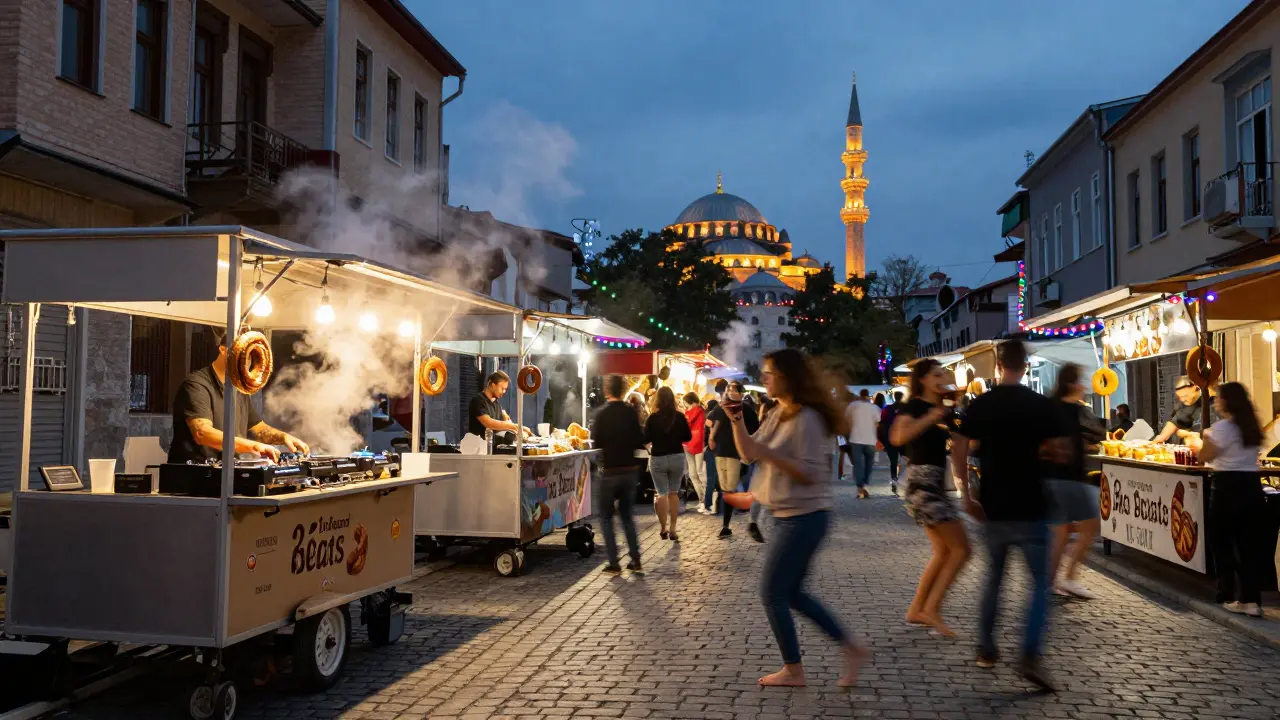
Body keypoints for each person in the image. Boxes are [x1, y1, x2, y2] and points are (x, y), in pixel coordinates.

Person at [725, 348, 867, 688]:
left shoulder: (808, 420)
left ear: (787, 377)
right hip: (789, 516)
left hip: (805, 517)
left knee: (772, 592)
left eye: (769, 373)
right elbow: (747, 454)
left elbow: (808, 474)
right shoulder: (778, 414)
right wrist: (736, 420)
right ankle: (850, 648)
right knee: (793, 594)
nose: (764, 379)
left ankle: (794, 669)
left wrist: (770, 453)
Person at [952, 339, 1067, 692]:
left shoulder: (981, 405)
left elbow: (958, 449)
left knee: (994, 579)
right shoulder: (1039, 405)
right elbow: (1059, 452)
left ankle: (986, 649)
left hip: (994, 507)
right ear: (1025, 366)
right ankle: (1030, 652)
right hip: (1032, 504)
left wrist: (966, 494)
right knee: (1039, 586)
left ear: (998, 366)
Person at [889, 360, 970, 637]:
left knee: (945, 551)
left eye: (944, 373)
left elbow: (961, 448)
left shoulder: (946, 411)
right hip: (921, 484)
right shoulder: (914, 407)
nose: (943, 377)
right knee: (961, 550)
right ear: (922, 380)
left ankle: (917, 609)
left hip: (934, 483)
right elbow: (898, 437)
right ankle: (931, 609)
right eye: (937, 374)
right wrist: (932, 416)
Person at [168, 328, 309, 463]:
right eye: (242, 353)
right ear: (223, 350)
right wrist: (253, 446)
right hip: (193, 478)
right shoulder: (196, 385)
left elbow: (259, 430)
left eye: (250, 356)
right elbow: (202, 433)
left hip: (226, 475)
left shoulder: (238, 389)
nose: (247, 360)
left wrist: (283, 437)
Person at [1194, 382, 1266, 617]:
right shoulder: (1251, 426)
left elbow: (1205, 456)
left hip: (1227, 486)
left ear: (1227, 401)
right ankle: (1251, 600)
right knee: (1249, 545)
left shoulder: (1223, 428)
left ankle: (1227, 592)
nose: (1215, 401)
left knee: (1221, 541)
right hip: (1251, 486)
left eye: (1217, 398)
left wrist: (1203, 439)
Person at [1044, 364, 1106, 600]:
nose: (1083, 386)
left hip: (1057, 477)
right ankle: (1064, 579)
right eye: (1080, 381)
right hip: (1066, 477)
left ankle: (1053, 581)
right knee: (1087, 527)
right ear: (1071, 384)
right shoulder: (1069, 410)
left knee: (1061, 532)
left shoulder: (1054, 407)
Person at [590, 375, 647, 574]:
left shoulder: (602, 414)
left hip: (610, 471)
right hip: (629, 471)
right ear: (623, 390)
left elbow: (595, 441)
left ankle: (614, 562)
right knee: (627, 517)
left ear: (607, 390)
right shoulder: (631, 413)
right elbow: (641, 438)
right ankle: (635, 559)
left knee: (606, 517)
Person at [708, 380, 759, 539]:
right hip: (720, 452)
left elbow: (755, 432)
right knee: (725, 489)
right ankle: (727, 523)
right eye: (728, 388)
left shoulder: (747, 411)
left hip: (736, 455)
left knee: (729, 489)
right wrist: (712, 435)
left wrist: (747, 456)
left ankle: (726, 525)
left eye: (733, 389)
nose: (729, 391)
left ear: (741, 393)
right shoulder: (721, 407)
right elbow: (709, 421)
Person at [645, 387, 692, 541]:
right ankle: (673, 528)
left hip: (658, 457)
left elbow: (644, 439)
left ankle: (663, 527)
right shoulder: (679, 417)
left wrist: (650, 446)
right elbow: (688, 437)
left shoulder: (652, 418)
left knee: (662, 494)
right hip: (677, 457)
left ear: (657, 400)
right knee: (673, 493)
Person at [468, 371, 531, 441]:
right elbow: (489, 423)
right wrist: (515, 426)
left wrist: (520, 427)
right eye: (502, 388)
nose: (504, 392)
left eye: (505, 389)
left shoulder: (496, 403)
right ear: (492, 384)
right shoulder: (478, 401)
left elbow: (503, 424)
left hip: (494, 447)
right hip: (479, 447)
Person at [847, 388, 880, 499]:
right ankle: (866, 484)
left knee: (858, 464)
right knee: (869, 464)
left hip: (855, 438)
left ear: (860, 395)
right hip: (870, 439)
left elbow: (847, 419)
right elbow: (877, 424)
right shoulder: (875, 408)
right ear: (868, 396)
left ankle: (859, 487)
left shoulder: (852, 405)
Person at [1152, 377, 1205, 445]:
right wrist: (1162, 437)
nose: (1182, 400)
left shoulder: (1210, 402)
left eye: (1185, 396)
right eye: (1180, 397)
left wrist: (1188, 434)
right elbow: (1175, 421)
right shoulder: (1184, 404)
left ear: (1195, 388)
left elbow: (1214, 433)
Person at [682, 392, 710, 515]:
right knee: (693, 474)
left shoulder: (698, 412)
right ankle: (702, 499)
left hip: (696, 445)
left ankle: (706, 500)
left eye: (685, 403)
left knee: (698, 472)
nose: (684, 405)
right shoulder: (692, 412)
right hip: (690, 445)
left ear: (692, 402)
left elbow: (687, 424)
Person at [878, 391, 906, 496]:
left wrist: (883, 440)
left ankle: (894, 483)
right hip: (904, 439)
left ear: (894, 397)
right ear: (902, 397)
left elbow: (881, 424)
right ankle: (905, 481)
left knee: (893, 462)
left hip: (891, 439)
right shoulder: (906, 408)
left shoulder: (887, 409)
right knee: (906, 460)